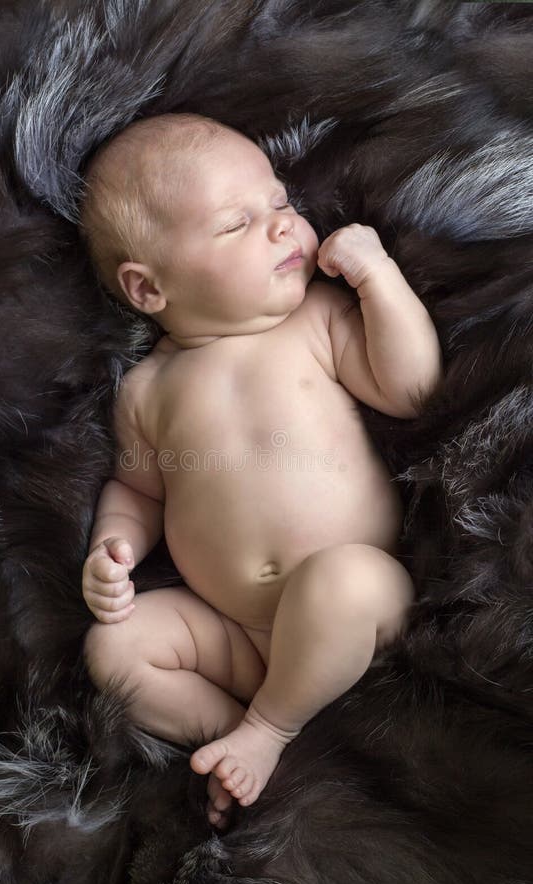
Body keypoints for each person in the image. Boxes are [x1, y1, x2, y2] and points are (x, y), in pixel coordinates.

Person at [79, 113, 443, 828]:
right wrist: (112, 550)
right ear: (148, 289)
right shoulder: (148, 390)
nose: (282, 225)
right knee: (112, 648)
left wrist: (379, 277)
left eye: (280, 202)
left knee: (344, 578)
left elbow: (413, 389)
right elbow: (138, 489)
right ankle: (235, 746)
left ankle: (270, 733)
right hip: (240, 638)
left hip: (358, 612)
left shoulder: (317, 320)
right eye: (236, 224)